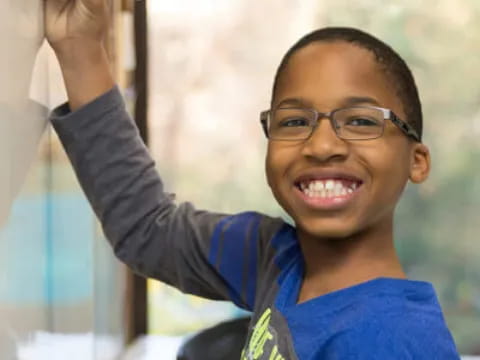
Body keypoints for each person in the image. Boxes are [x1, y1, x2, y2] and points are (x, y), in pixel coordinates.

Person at [44, 0, 460, 358]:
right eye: (295, 121)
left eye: (361, 121)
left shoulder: (394, 341)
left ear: (416, 161)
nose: (321, 145)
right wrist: (81, 50)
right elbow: (149, 231)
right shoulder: (275, 257)